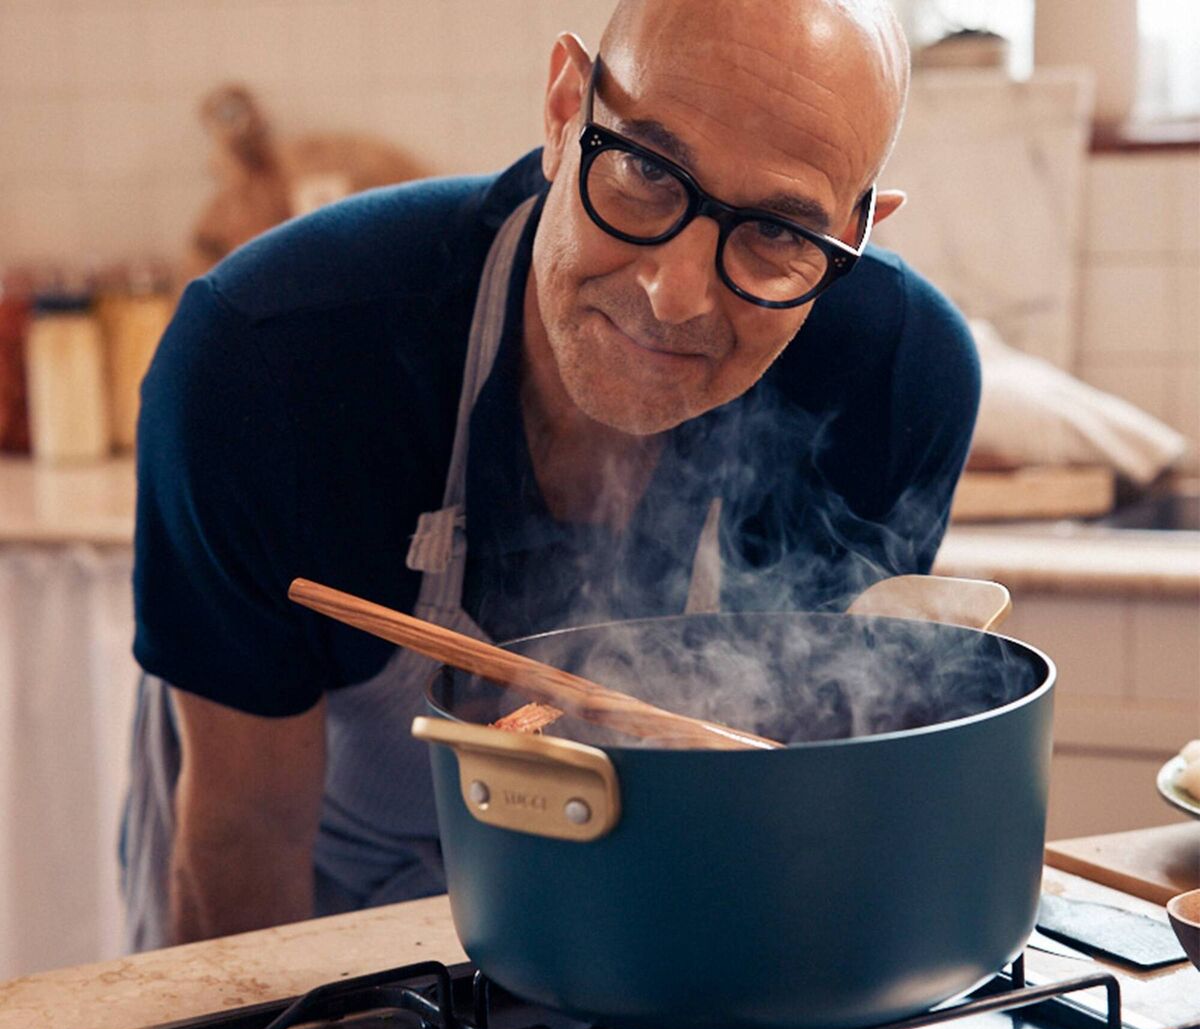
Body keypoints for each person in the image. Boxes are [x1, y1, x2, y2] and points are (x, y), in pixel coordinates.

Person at [124, 0, 981, 950]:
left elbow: (795, 796)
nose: (675, 293)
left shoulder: (894, 380)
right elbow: (246, 836)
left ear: (860, 234)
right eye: (648, 172)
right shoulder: (271, 362)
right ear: (565, 107)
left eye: (779, 233)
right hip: (312, 919)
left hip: (652, 902)